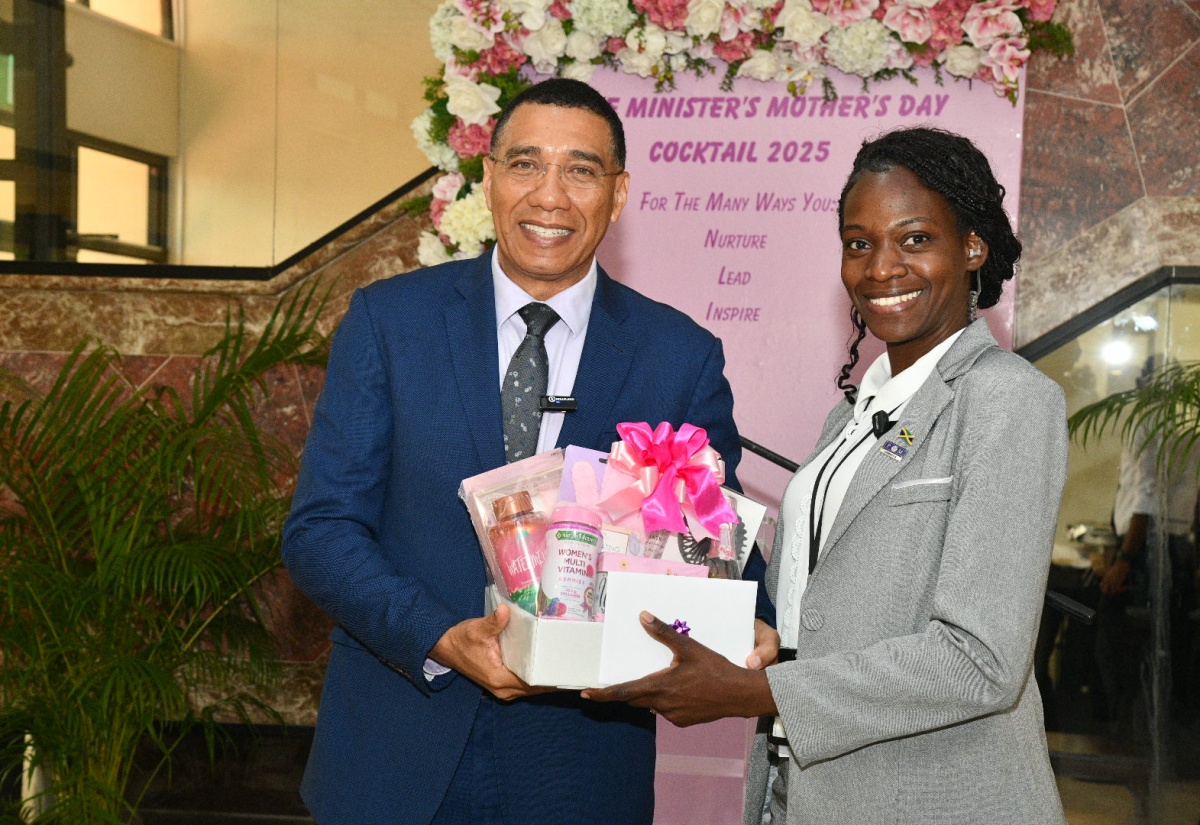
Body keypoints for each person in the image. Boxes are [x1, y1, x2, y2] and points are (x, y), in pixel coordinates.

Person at [281, 77, 774, 825]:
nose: (550, 195)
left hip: (578, 771)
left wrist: (754, 618)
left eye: (580, 170)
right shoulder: (391, 321)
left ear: (619, 192)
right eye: (524, 164)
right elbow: (320, 531)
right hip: (394, 758)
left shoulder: (679, 357)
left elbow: (714, 543)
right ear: (488, 179)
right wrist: (442, 637)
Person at [585, 127, 1069, 824]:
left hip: (940, 798)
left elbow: (979, 657)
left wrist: (761, 694)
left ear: (972, 247)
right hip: (806, 793)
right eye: (859, 242)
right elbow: (827, 609)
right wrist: (746, 637)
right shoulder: (849, 417)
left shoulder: (1008, 401)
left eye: (915, 239)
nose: (881, 268)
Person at [1096, 407, 1199, 729]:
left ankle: (1126, 738)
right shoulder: (1186, 430)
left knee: (1122, 650)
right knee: (1167, 649)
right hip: (1176, 545)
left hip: (1148, 550)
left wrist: (1123, 562)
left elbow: (1146, 499)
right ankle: (1151, 736)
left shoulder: (1149, 426)